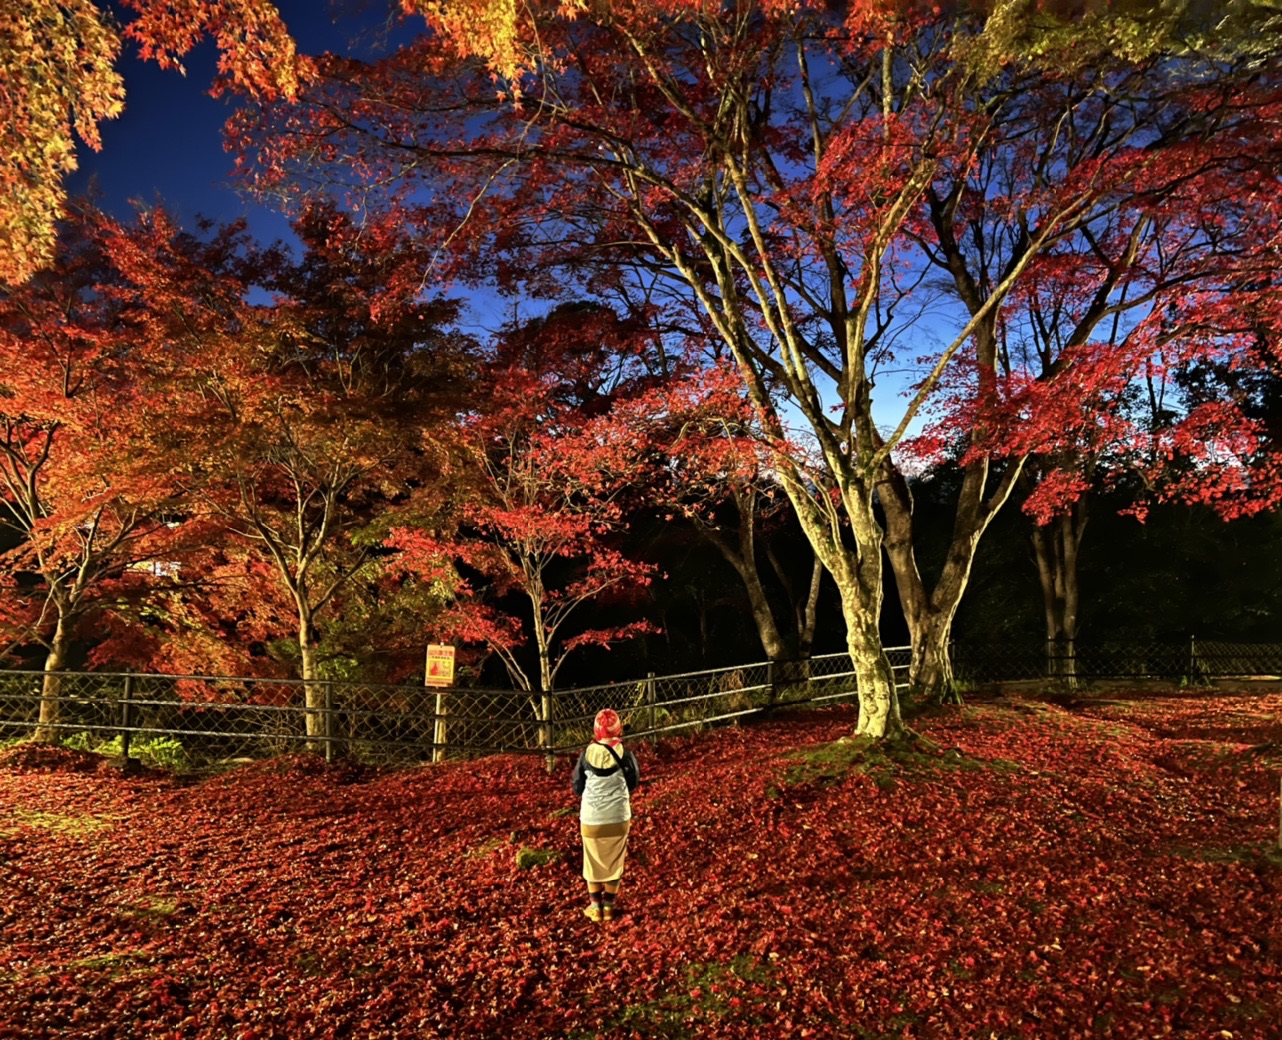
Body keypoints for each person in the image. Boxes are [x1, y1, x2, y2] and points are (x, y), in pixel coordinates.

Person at [571, 708, 639, 923]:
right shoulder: (625, 754)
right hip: (619, 817)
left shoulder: (585, 755)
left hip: (591, 817)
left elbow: (577, 785)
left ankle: (594, 907)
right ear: (618, 729)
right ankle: (609, 907)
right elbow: (634, 781)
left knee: (592, 860)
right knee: (614, 860)